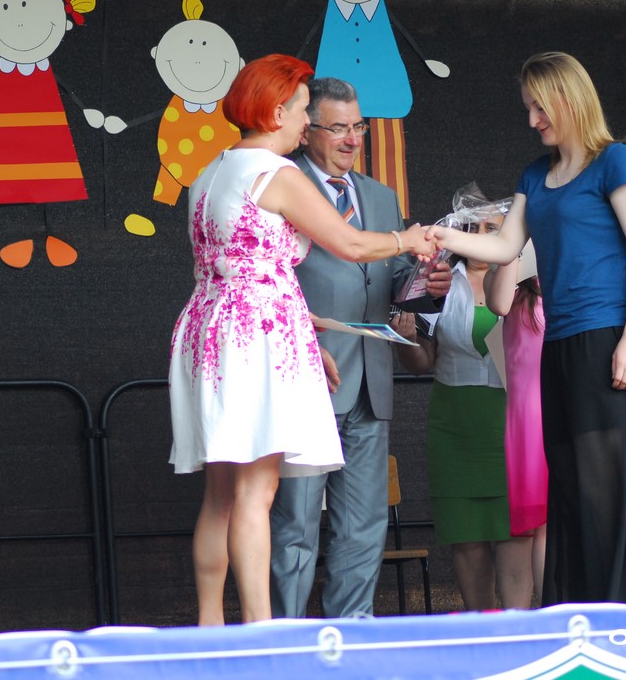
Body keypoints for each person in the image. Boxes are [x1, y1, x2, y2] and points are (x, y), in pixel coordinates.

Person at [167, 54, 434, 626]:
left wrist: (307, 336)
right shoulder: (276, 173)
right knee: (256, 493)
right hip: (255, 336)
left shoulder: (211, 173)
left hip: (213, 327)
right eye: (302, 110)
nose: (305, 120)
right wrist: (407, 239)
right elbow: (351, 244)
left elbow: (243, 268)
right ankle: (262, 631)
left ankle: (211, 626)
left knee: (221, 495)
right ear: (276, 112)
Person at [426, 51, 626, 604]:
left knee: (606, 484)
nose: (532, 120)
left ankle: (621, 608)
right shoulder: (535, 174)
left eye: (539, 107)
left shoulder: (616, 161)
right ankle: (576, 608)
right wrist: (439, 236)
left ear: (568, 99)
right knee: (571, 484)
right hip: (558, 347)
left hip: (608, 338)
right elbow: (506, 245)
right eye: (528, 108)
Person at [269, 76, 449, 620]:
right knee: (296, 523)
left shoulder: (380, 195)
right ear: (307, 131)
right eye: (338, 128)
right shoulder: (281, 185)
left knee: (364, 524)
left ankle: (351, 634)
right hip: (308, 380)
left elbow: (391, 279)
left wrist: (426, 284)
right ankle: (287, 637)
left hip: (371, 382)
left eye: (359, 127)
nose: (352, 139)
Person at [395, 214, 536, 610]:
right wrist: (406, 340)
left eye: (491, 228)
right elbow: (421, 363)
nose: (478, 236)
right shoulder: (437, 282)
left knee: (516, 536)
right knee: (468, 541)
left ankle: (517, 630)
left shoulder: (527, 283)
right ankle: (483, 627)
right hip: (454, 427)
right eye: (470, 228)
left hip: (513, 425)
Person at [484, 255, 548, 603]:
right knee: (542, 525)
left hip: (563, 407)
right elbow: (498, 302)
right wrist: (513, 249)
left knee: (557, 524)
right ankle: (551, 614)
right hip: (530, 415)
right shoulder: (508, 281)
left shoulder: (559, 276)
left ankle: (560, 610)